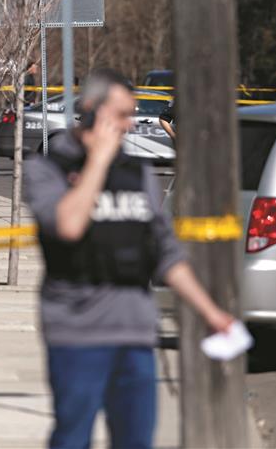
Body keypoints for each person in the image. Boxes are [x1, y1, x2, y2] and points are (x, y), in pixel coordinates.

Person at [23, 69, 235, 449]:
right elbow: (68, 226)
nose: (130, 123)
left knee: (136, 439)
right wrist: (98, 163)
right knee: (72, 438)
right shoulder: (48, 168)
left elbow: (166, 253)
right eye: (121, 114)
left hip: (135, 331)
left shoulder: (137, 173)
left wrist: (211, 313)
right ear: (91, 111)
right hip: (77, 331)